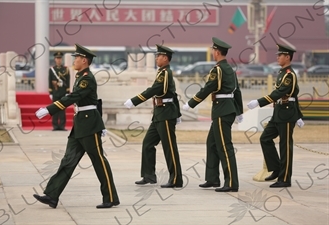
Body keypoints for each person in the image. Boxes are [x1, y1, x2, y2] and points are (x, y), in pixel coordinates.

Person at [33, 44, 119, 208]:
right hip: (80, 124)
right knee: (68, 161)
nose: (75, 60)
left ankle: (111, 198)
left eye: (77, 58)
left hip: (89, 125)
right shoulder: (81, 76)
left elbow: (74, 97)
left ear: (84, 60)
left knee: (98, 161)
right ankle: (52, 195)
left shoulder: (87, 78)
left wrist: (49, 109)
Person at [183, 37, 243, 192]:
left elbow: (208, 88)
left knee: (224, 146)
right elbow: (237, 91)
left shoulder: (217, 70)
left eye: (213, 50)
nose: (212, 52)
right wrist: (239, 111)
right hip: (226, 109)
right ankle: (212, 178)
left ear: (217, 52)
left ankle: (231, 183)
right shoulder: (230, 69)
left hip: (222, 110)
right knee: (212, 143)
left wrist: (191, 103)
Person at [124, 44, 183, 188]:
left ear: (165, 58)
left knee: (169, 147)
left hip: (166, 114)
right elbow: (173, 94)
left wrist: (135, 100)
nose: (156, 58)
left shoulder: (165, 73)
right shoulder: (162, 72)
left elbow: (155, 89)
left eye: (158, 56)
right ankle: (149, 175)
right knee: (148, 143)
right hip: (159, 113)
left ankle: (176, 179)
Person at [247, 43, 304, 188]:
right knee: (265, 138)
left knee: (285, 146)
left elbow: (279, 93)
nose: (277, 57)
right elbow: (294, 94)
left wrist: (259, 102)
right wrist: (299, 115)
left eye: (280, 55)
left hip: (286, 113)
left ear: (287, 57)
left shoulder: (289, 75)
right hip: (279, 112)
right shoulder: (282, 73)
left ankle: (285, 178)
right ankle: (277, 169)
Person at [48, 52, 70, 131]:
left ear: (62, 59)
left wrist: (68, 91)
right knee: (55, 109)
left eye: (60, 58)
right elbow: (50, 81)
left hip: (63, 92)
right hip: (55, 92)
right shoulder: (52, 70)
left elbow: (68, 81)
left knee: (62, 110)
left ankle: (62, 126)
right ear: (55, 59)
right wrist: (50, 92)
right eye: (57, 58)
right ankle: (55, 126)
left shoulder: (66, 69)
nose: (59, 60)